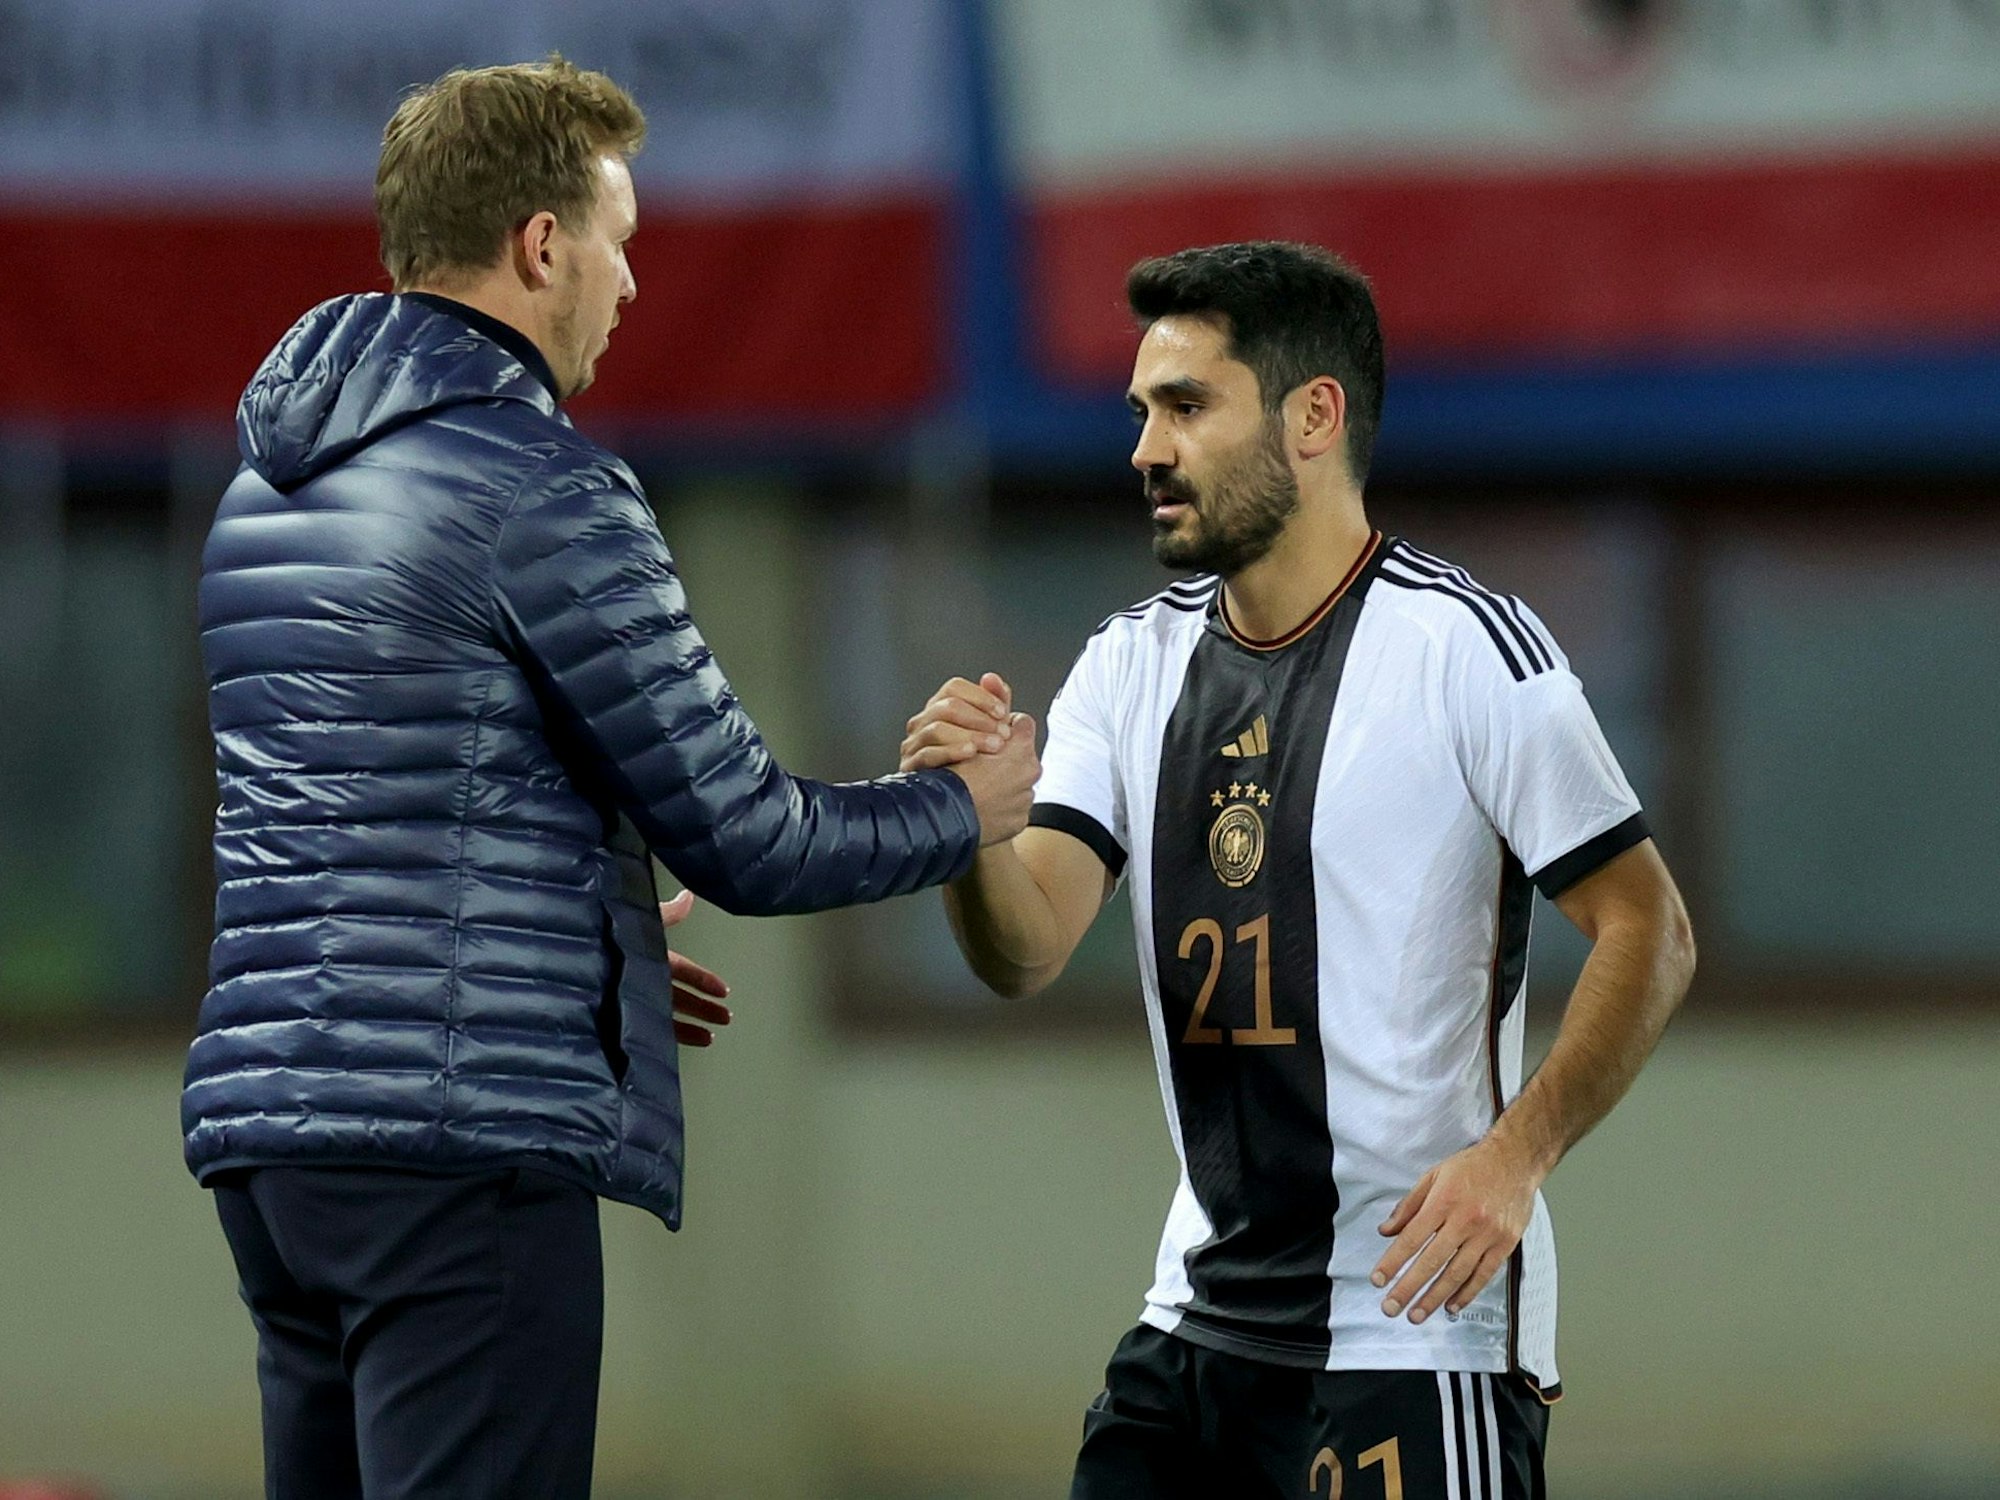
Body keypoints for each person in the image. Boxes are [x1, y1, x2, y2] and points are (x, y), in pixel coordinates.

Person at [183, 57, 1037, 1500]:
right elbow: (750, 834)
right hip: (459, 1151)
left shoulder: (266, 487)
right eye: (619, 239)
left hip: (278, 1150)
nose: (630, 284)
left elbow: (379, 823)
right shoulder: (541, 487)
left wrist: (606, 947)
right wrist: (967, 813)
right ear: (539, 246)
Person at [901, 242, 1695, 1498]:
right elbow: (1025, 946)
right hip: (1194, 1326)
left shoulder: (1466, 650)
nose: (1143, 450)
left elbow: (1648, 931)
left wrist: (1512, 1159)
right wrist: (967, 828)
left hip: (1415, 1336)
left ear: (1311, 416)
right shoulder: (1125, 665)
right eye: (1139, 412)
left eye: (1185, 406)